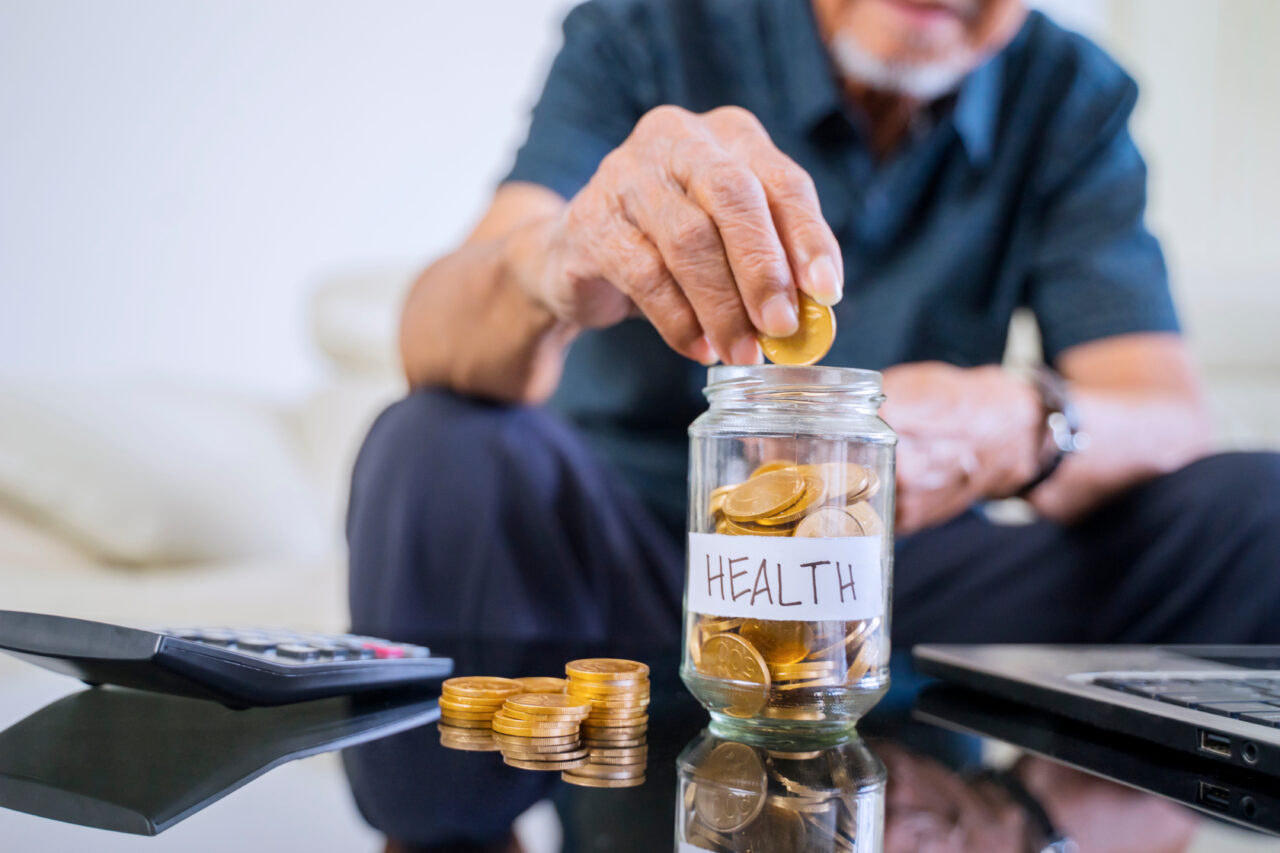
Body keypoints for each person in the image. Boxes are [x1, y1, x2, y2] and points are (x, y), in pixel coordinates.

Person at [347, 0, 1280, 648]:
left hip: (892, 568)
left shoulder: (1073, 94)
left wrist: (1023, 422)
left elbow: (1165, 415)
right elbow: (430, 333)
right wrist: (553, 260)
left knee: (1254, 513)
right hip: (614, 554)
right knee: (431, 439)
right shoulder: (644, 31)